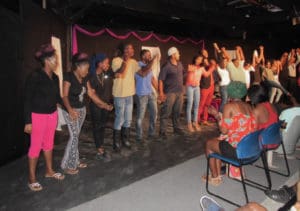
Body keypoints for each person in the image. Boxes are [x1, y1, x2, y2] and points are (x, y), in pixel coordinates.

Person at [24, 44, 65, 191]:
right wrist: (28, 121)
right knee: (35, 147)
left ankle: (49, 171)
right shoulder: (35, 76)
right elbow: (27, 99)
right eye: (55, 58)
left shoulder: (55, 76)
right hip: (37, 116)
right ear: (47, 60)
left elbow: (57, 97)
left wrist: (69, 108)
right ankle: (32, 179)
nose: (57, 61)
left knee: (48, 144)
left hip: (52, 114)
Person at [61, 52, 109, 174]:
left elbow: (91, 94)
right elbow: (64, 96)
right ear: (78, 66)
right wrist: (70, 110)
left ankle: (74, 161)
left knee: (76, 136)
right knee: (74, 136)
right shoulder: (68, 76)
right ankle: (68, 165)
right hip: (70, 110)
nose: (87, 72)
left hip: (81, 109)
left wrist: (104, 105)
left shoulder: (85, 77)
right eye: (86, 69)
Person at [202, 81, 257, 186]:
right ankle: (218, 173)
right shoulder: (250, 107)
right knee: (218, 141)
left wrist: (216, 115)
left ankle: (214, 178)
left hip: (237, 151)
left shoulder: (229, 107)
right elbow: (234, 125)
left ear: (230, 93)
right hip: (249, 148)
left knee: (209, 144)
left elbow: (224, 130)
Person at [111, 43, 139, 151]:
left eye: (132, 48)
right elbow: (121, 72)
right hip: (119, 94)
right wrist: (126, 59)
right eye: (128, 48)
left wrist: (150, 62)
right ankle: (116, 143)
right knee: (120, 118)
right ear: (123, 50)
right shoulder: (116, 60)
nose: (130, 50)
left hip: (129, 94)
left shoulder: (134, 62)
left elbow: (142, 72)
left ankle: (125, 140)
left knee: (128, 119)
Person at [88, 54, 114, 161]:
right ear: (99, 64)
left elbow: (116, 76)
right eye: (106, 62)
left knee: (103, 125)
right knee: (97, 126)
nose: (108, 64)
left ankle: (101, 145)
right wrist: (104, 105)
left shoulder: (106, 73)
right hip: (96, 105)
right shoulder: (91, 76)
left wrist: (109, 103)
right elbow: (93, 96)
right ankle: (99, 148)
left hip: (106, 104)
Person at [158, 47, 184, 138]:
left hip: (180, 92)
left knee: (177, 112)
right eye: (177, 53)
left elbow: (183, 75)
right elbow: (161, 80)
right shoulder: (166, 66)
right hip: (170, 93)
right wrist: (161, 93)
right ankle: (162, 132)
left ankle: (176, 128)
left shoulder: (180, 64)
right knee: (166, 113)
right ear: (173, 55)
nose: (179, 55)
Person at [186, 55, 215, 132]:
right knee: (190, 105)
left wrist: (212, 68)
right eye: (198, 59)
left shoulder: (201, 68)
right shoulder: (191, 66)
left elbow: (206, 74)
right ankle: (189, 124)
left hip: (197, 87)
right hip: (190, 87)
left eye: (201, 60)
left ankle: (195, 122)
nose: (199, 61)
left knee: (196, 105)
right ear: (195, 59)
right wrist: (193, 70)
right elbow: (189, 76)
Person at [135, 49, 158, 142]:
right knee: (140, 117)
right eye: (148, 55)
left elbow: (152, 79)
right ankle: (139, 136)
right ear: (143, 56)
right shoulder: (137, 64)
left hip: (150, 93)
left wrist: (160, 92)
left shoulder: (149, 67)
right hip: (141, 95)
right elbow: (143, 74)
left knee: (154, 114)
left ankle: (151, 133)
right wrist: (153, 60)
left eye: (150, 55)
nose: (150, 57)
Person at [198, 59, 217, 126]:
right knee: (201, 104)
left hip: (211, 86)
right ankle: (197, 119)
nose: (212, 64)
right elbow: (206, 75)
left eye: (213, 63)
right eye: (210, 63)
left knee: (207, 104)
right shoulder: (202, 68)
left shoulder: (211, 68)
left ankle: (204, 119)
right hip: (205, 87)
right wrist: (212, 67)